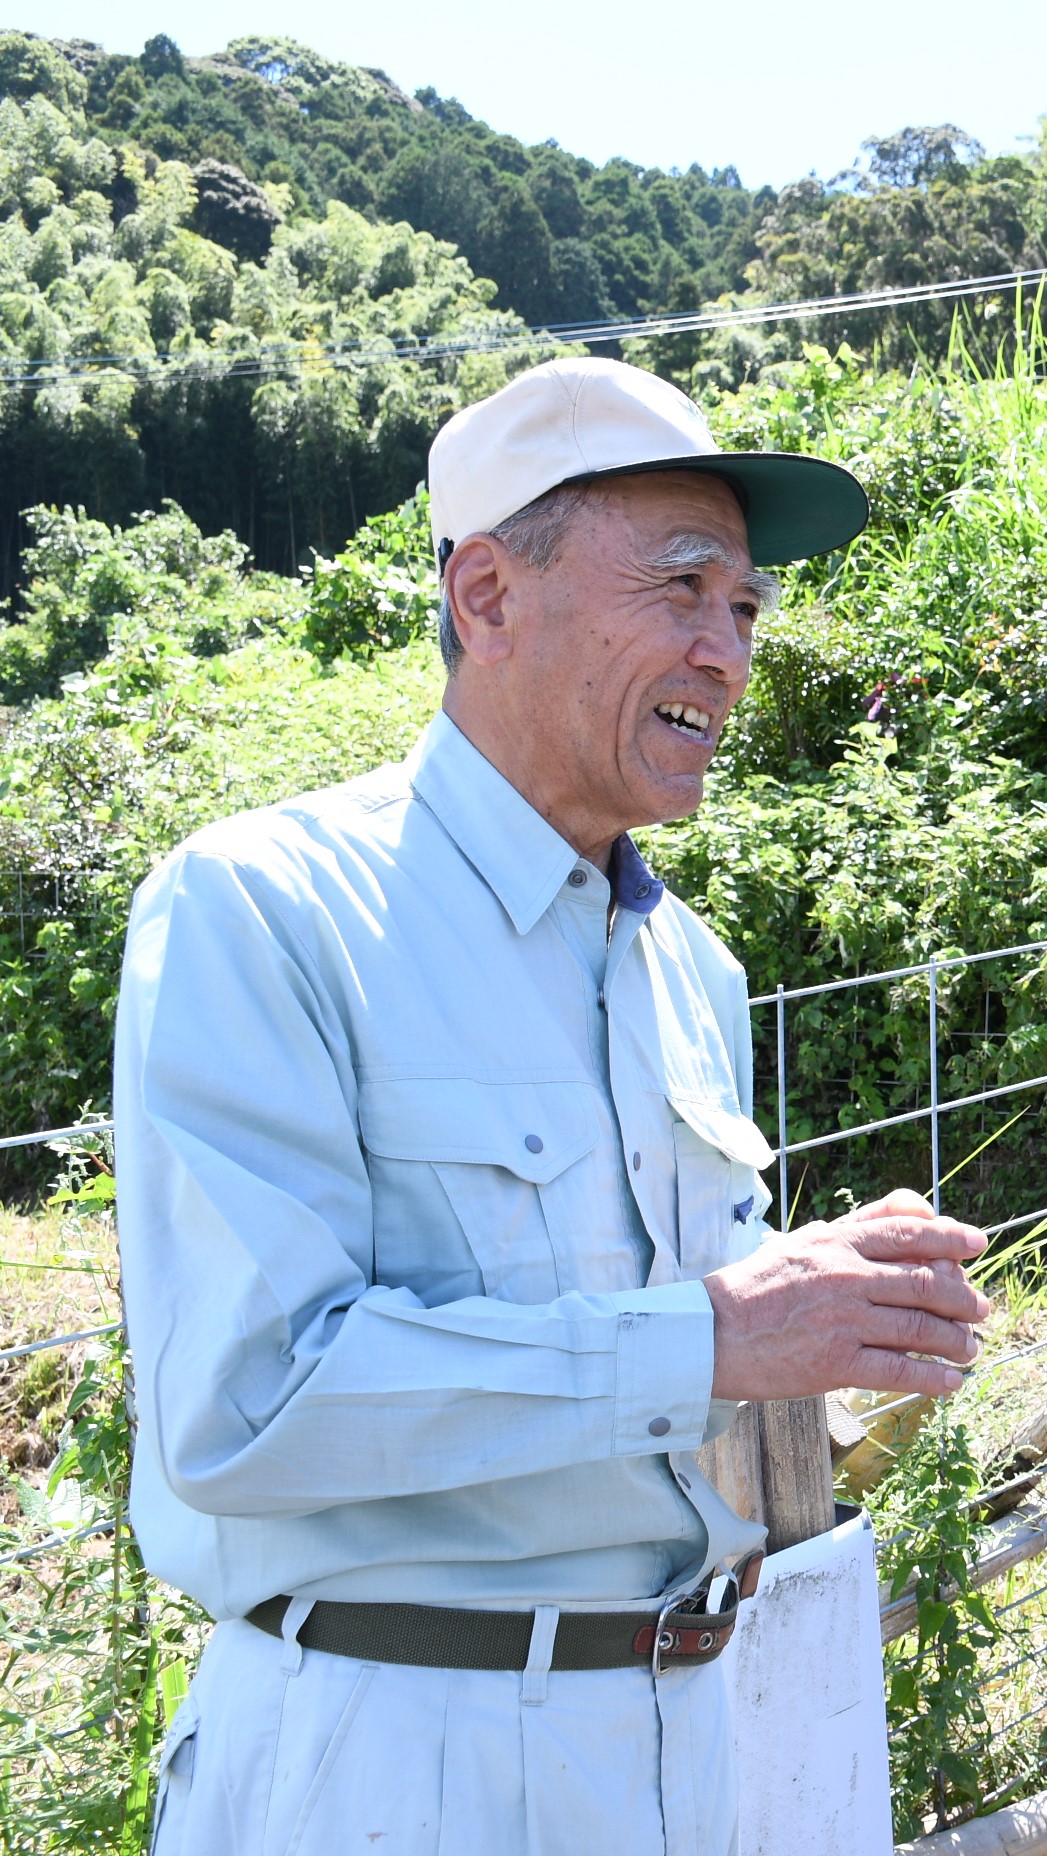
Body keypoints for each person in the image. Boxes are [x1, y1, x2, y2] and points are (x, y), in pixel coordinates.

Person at [118, 357, 994, 1854]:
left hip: (693, 1746)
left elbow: (692, 1378)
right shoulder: (263, 910)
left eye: (746, 609)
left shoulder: (690, 968)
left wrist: (826, 1321)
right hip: (389, 1760)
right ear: (488, 597)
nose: (726, 650)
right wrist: (719, 1333)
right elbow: (246, 1409)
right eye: (680, 587)